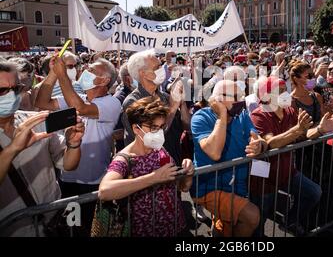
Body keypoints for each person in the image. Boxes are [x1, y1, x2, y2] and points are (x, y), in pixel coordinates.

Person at [34, 56, 121, 236]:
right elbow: (42, 103)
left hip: (92, 180)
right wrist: (52, 75)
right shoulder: (78, 97)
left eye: (92, 70)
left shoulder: (111, 103)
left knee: (89, 229)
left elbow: (80, 108)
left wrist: (62, 74)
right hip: (68, 175)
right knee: (70, 227)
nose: (85, 71)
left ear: (104, 80)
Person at [0, 60, 85, 236]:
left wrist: (74, 143)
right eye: (2, 91)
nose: (11, 95)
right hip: (14, 230)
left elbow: (68, 164)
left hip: (55, 220)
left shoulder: (36, 120)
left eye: (16, 88)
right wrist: (12, 149)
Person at [250, 76, 333, 235]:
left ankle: (290, 221)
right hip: (264, 177)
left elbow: (305, 133)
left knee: (314, 192)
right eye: (279, 91)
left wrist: (320, 130)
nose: (285, 94)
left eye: (284, 90)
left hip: (287, 171)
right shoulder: (258, 114)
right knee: (261, 217)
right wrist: (297, 130)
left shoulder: (290, 111)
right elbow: (270, 143)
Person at [99, 97, 194, 237]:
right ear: (136, 129)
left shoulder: (161, 150)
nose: (159, 132)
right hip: (144, 231)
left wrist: (188, 173)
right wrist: (153, 178)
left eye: (161, 127)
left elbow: (182, 187)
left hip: (175, 227)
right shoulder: (125, 159)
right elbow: (105, 191)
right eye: (154, 128)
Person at [190, 80, 267, 237]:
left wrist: (260, 145)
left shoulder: (243, 115)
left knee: (227, 225)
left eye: (241, 95)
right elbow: (214, 152)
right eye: (236, 96)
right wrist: (222, 115)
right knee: (251, 216)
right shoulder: (200, 117)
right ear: (218, 99)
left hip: (237, 185)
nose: (241, 100)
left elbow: (257, 138)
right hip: (209, 187)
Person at [122, 50, 191, 166]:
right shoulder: (133, 102)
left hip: (174, 164)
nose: (162, 70)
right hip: (151, 171)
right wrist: (173, 108)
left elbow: (187, 126)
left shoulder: (165, 97)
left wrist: (182, 103)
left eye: (161, 65)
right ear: (143, 73)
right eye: (157, 67)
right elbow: (152, 141)